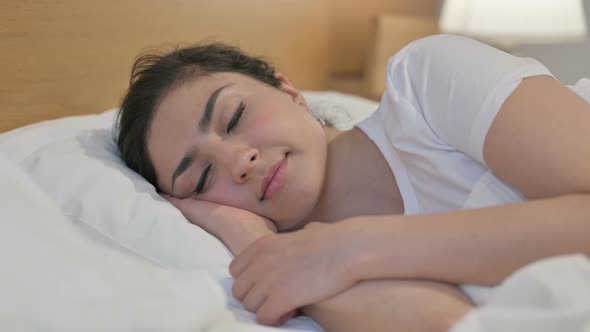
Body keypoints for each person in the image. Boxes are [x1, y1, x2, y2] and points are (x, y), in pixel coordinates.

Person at [115, 34, 590, 331]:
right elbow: (451, 326)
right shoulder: (302, 262)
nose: (239, 161)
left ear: (288, 91)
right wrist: (254, 243)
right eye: (202, 177)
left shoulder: (426, 84)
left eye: (235, 115)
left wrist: (356, 247)